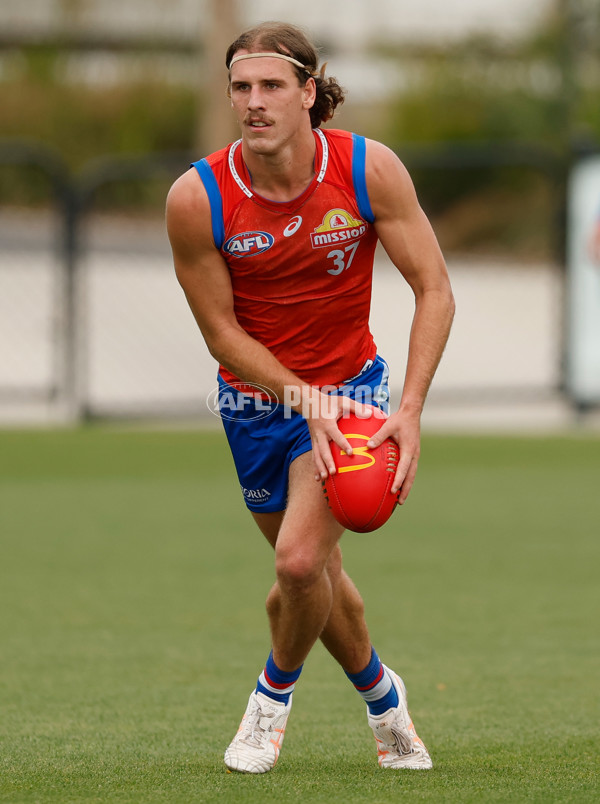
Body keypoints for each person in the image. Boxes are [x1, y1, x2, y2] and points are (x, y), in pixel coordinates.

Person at [166, 21, 455, 774]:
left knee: (296, 566)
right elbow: (221, 335)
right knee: (314, 581)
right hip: (255, 405)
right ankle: (386, 703)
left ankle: (269, 703)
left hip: (351, 392)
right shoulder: (198, 197)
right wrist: (300, 400)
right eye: (240, 87)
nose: (253, 102)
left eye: (271, 85)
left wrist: (410, 408)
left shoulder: (366, 169)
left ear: (308, 91)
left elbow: (434, 288)